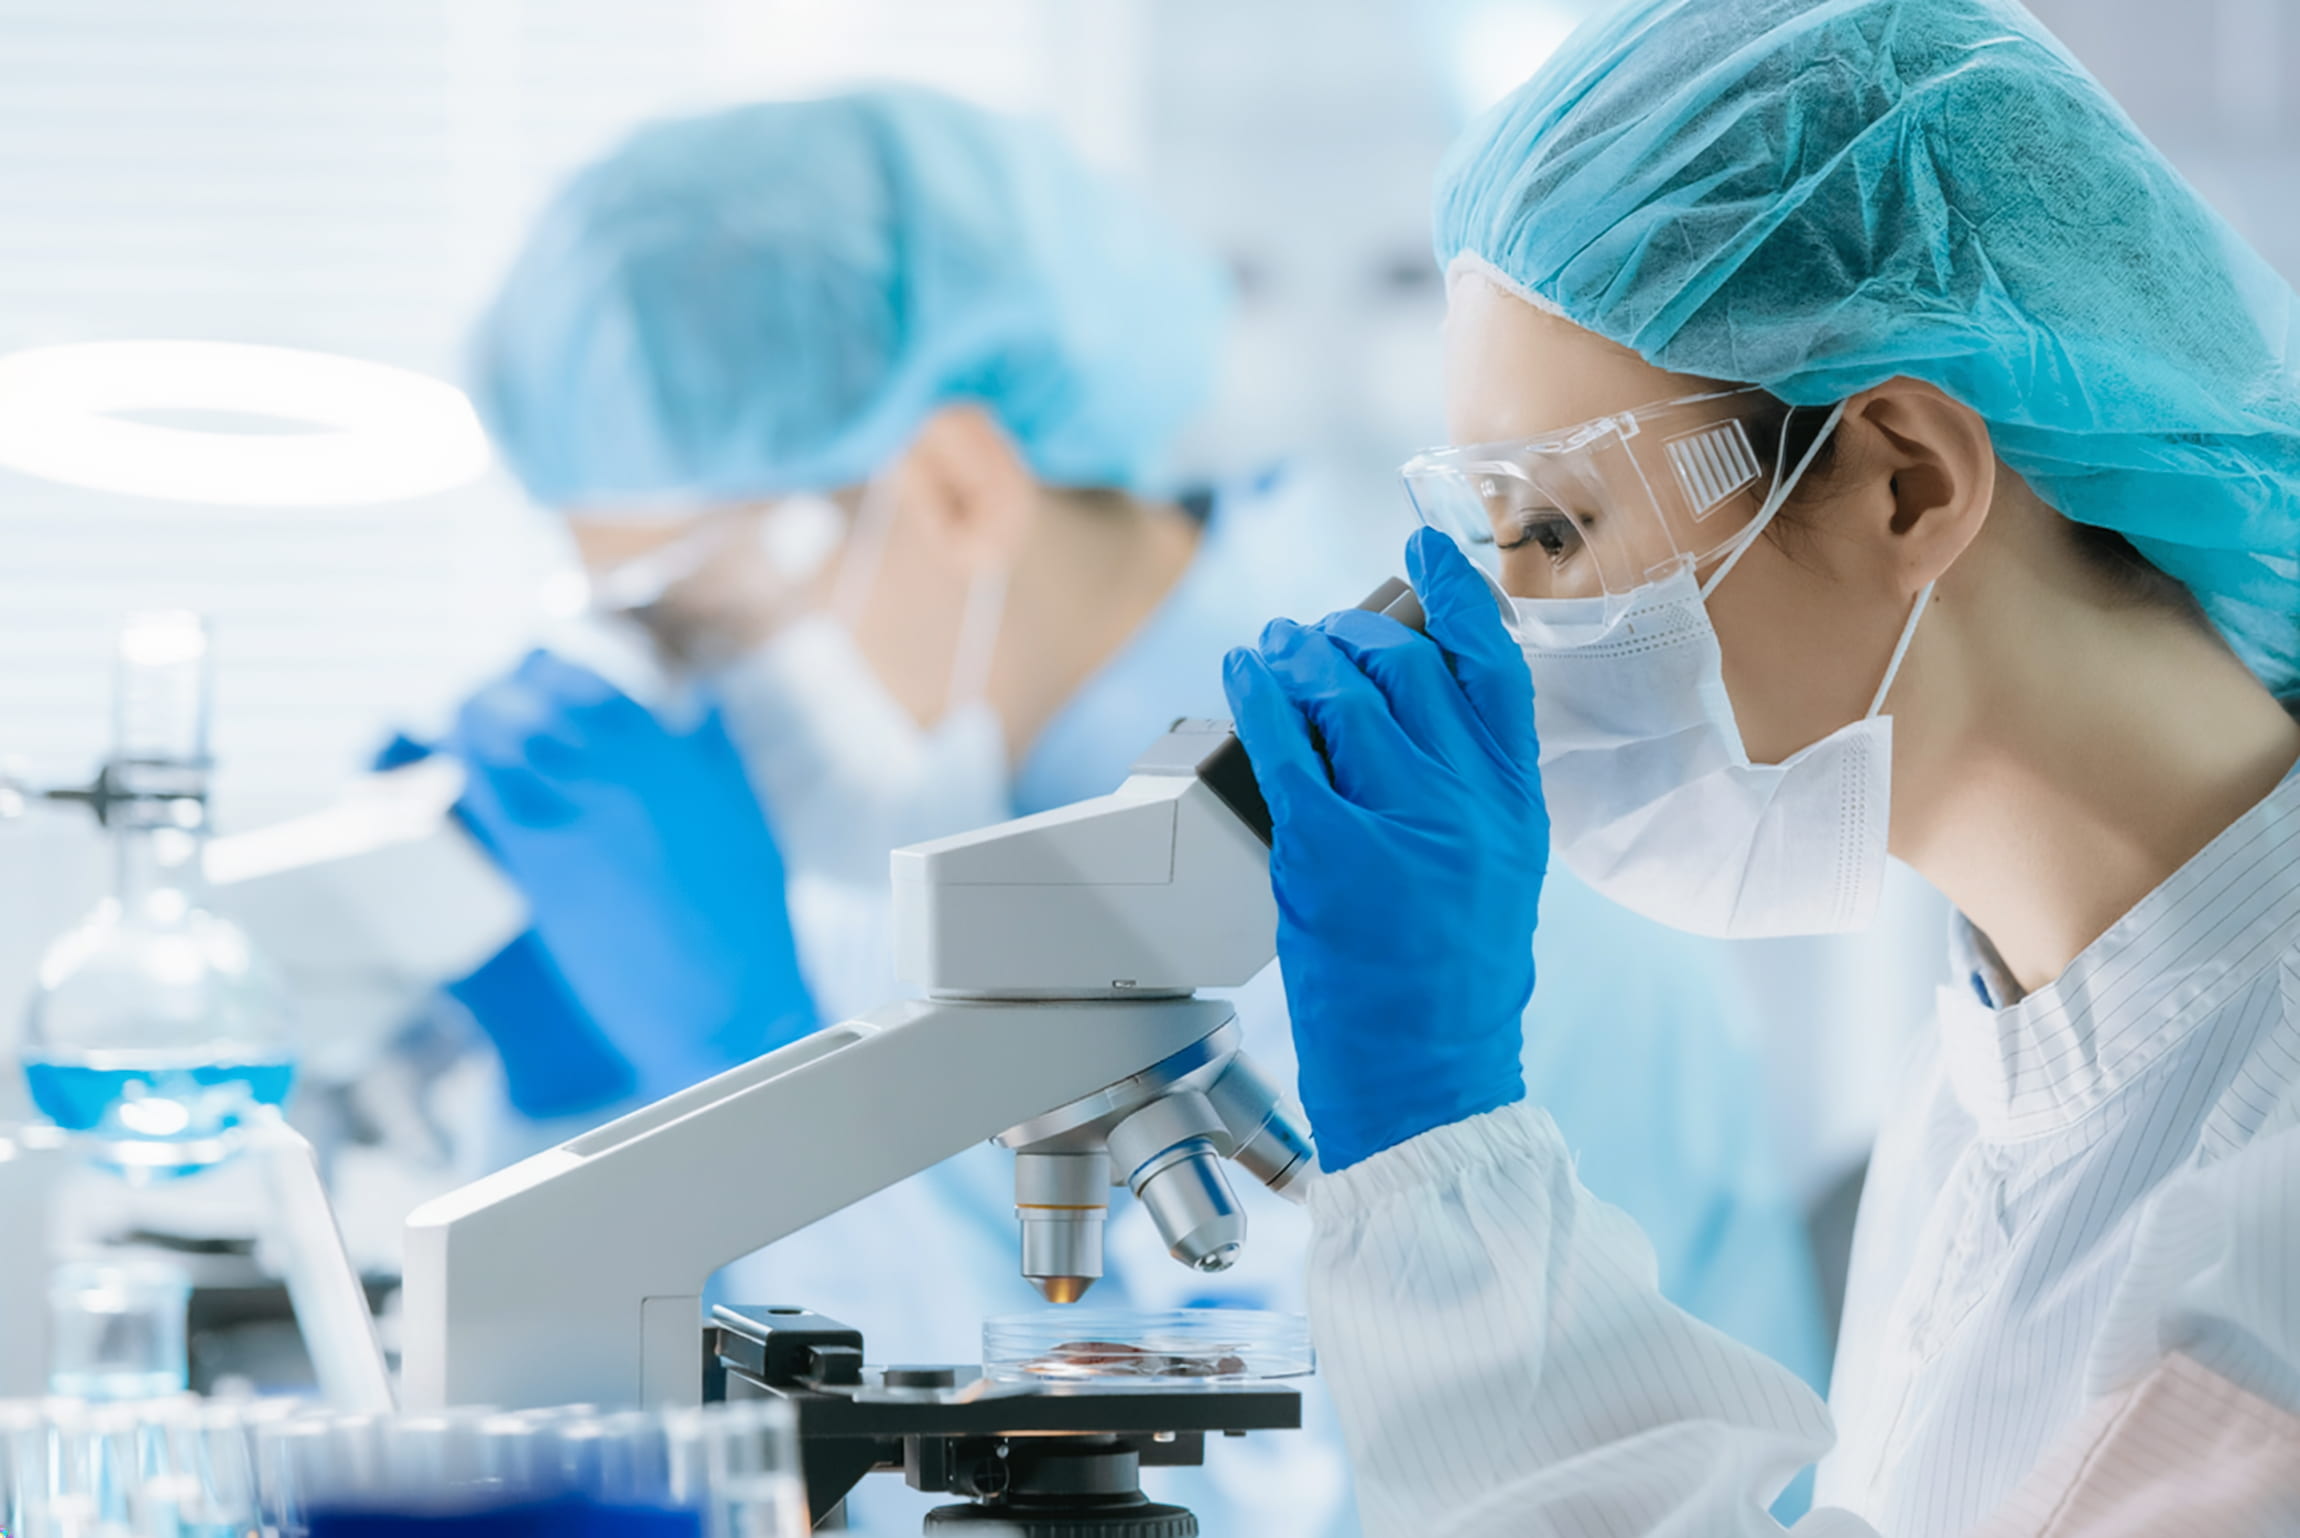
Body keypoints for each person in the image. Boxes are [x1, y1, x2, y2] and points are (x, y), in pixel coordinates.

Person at [429, 85, 1828, 1532]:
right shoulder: (974, 802)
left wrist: (755, 1068)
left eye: (691, 621)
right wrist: (592, 1095)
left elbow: (1309, 1491)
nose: (689, 707)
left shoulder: (1377, 802)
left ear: (960, 487)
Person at [1221, 0, 2300, 1532]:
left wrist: (1447, 1169)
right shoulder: (2008, 1062)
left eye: (1556, 528)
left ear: (1903, 483)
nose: (1510, 641)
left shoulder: (2269, 1219)